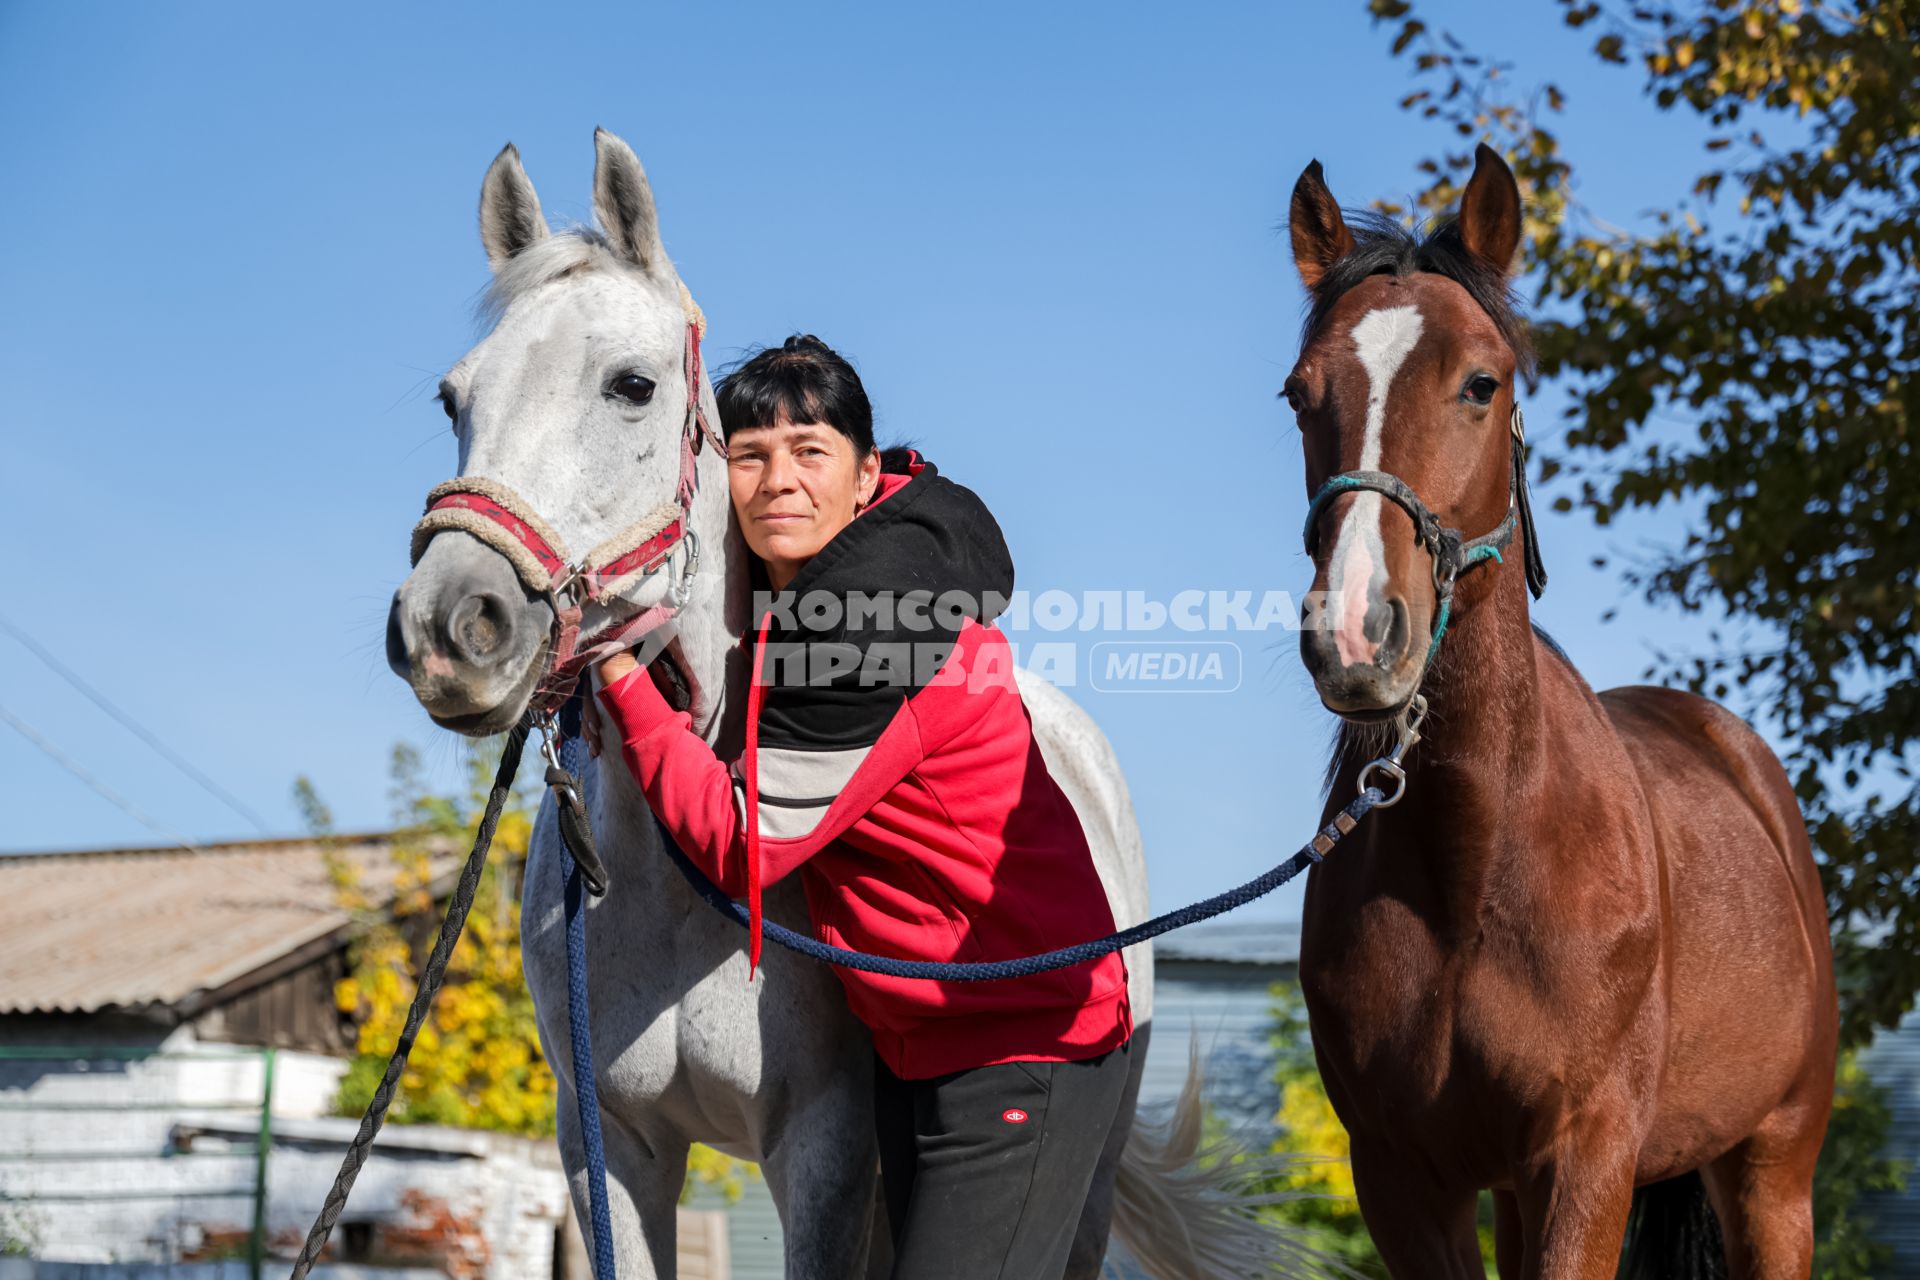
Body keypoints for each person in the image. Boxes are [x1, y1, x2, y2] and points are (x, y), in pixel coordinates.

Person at [594, 335, 1133, 1278]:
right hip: (917, 1043)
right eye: (750, 456)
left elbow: (740, 844)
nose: (777, 481)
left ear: (864, 473)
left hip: (1022, 1043)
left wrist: (617, 681)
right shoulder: (808, 605)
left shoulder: (874, 625)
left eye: (811, 452)